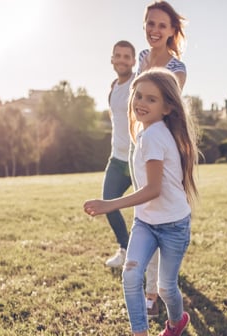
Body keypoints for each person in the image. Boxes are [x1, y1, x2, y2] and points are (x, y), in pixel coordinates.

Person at [84, 68, 199, 336]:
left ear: (168, 107)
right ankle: (140, 332)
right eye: (139, 96)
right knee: (132, 276)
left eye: (151, 99)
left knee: (166, 288)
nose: (141, 103)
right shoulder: (146, 133)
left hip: (173, 225)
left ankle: (175, 322)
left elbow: (153, 190)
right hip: (146, 223)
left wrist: (109, 204)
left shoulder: (155, 136)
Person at [136, 0, 188, 318]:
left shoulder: (177, 69)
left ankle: (153, 295)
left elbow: (163, 109)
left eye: (162, 26)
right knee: (145, 215)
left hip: (164, 148)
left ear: (171, 32)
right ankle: (155, 288)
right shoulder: (142, 58)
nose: (155, 30)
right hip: (140, 144)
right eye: (150, 23)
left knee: (157, 215)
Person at [102, 40, 137, 268]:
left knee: (148, 212)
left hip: (137, 159)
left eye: (127, 56)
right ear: (112, 60)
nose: (122, 60)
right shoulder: (113, 87)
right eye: (118, 56)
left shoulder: (138, 83)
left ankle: (151, 257)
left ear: (133, 61)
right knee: (108, 203)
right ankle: (125, 249)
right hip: (117, 158)